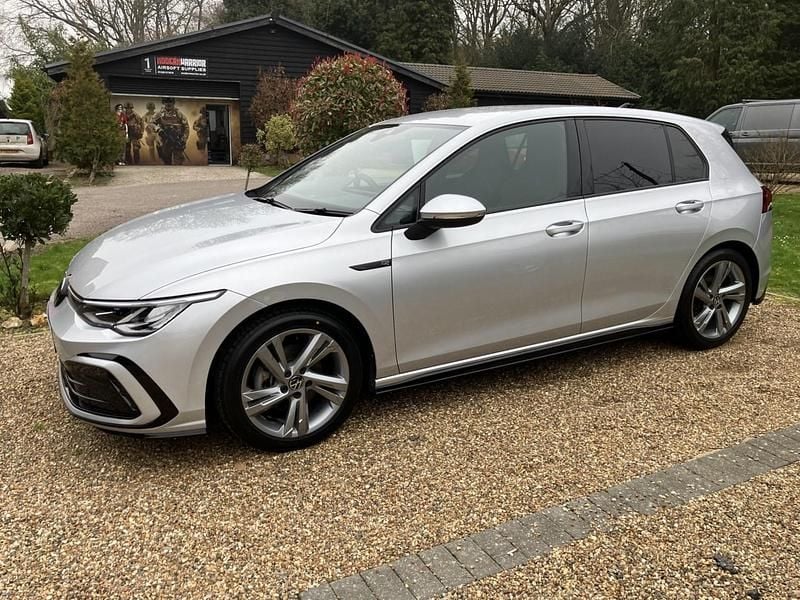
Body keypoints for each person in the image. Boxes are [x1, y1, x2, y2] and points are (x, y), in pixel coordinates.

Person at [153, 97, 189, 165]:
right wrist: (158, 129)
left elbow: (186, 127)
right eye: (166, 102)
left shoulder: (179, 114)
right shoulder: (159, 114)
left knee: (178, 160)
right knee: (166, 160)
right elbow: (151, 123)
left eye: (170, 102)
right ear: (164, 103)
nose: (168, 104)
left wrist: (184, 139)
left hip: (177, 139)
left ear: (173, 103)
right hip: (165, 140)